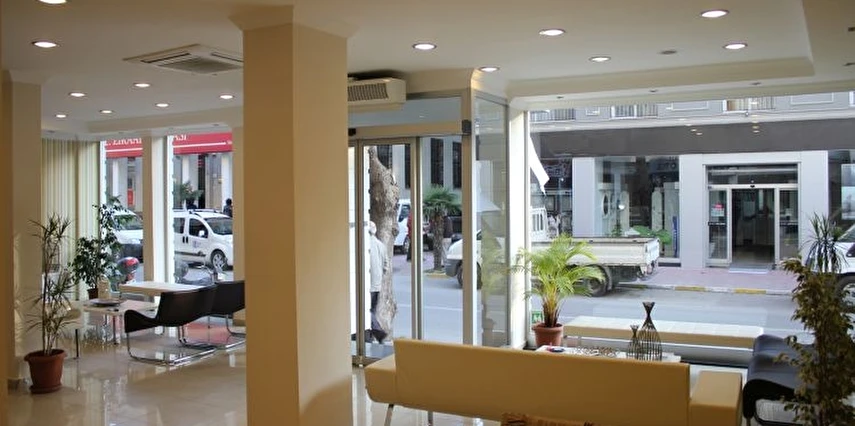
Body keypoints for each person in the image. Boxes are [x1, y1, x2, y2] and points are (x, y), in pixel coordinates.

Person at [368, 221, 389, 343]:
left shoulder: (365, 246)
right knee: (372, 311)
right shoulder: (381, 245)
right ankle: (370, 337)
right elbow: (386, 266)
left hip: (368, 285)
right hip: (377, 285)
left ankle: (378, 332)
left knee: (366, 311)